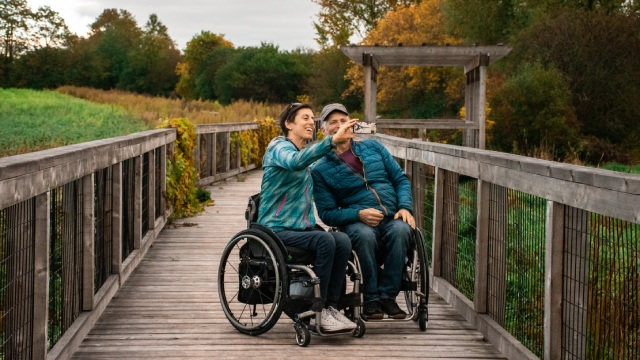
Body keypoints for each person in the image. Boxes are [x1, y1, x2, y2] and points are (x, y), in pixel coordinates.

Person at [257, 102, 359, 332]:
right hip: (276, 228)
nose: (311, 122)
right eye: (305, 118)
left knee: (341, 240)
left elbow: (316, 160)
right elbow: (294, 162)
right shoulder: (278, 147)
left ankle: (332, 307)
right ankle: (317, 311)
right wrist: (331, 141)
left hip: (301, 227)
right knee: (324, 241)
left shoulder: (305, 154)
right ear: (288, 123)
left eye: (313, 119)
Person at [311, 103, 416, 320]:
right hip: (357, 220)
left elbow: (400, 179)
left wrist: (405, 206)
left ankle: (387, 297)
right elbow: (327, 213)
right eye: (333, 123)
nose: (339, 126)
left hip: (392, 214)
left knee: (402, 231)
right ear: (324, 131)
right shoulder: (320, 169)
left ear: (352, 124)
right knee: (364, 235)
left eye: (343, 120)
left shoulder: (374, 148)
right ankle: (370, 299)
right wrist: (358, 215)